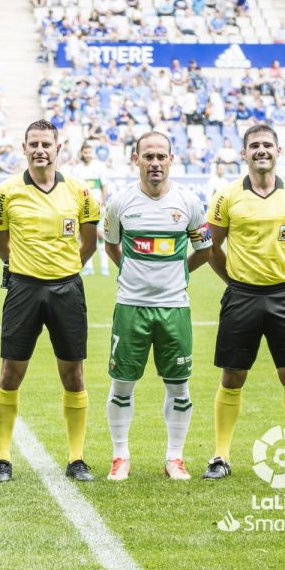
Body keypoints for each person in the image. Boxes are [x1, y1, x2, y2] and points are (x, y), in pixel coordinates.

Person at [203, 124, 285, 480]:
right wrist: (235, 280)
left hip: (284, 296)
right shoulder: (226, 196)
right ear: (244, 154)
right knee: (232, 375)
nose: (261, 150)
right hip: (242, 296)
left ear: (278, 151)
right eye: (254, 145)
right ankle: (220, 456)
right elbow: (212, 247)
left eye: (267, 145)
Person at [0, 119, 100, 483]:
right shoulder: (6, 193)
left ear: (58, 149)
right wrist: (24, 267)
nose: (40, 150)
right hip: (23, 289)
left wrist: (66, 269)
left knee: (73, 374)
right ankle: (3, 457)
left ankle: (76, 458)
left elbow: (89, 242)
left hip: (67, 289)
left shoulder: (81, 192)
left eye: (46, 144)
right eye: (33, 143)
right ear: (24, 148)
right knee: (10, 373)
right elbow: (1, 243)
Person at [102, 132, 213, 481]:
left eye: (161, 156)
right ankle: (120, 455)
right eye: (147, 156)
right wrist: (134, 274)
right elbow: (111, 246)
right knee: (122, 384)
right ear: (136, 160)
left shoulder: (189, 202)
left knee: (179, 386)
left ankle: (175, 458)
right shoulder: (119, 203)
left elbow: (205, 249)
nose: (154, 163)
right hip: (131, 307)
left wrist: (179, 272)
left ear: (171, 159)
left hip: (174, 308)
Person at [71, 140, 111, 276]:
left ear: (92, 153)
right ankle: (88, 267)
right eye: (85, 152)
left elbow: (104, 186)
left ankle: (104, 267)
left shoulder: (100, 166)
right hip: (83, 208)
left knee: (101, 237)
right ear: (81, 153)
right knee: (85, 237)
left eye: (89, 152)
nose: (87, 154)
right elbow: (74, 190)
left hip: (98, 206)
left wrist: (104, 203)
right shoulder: (76, 169)